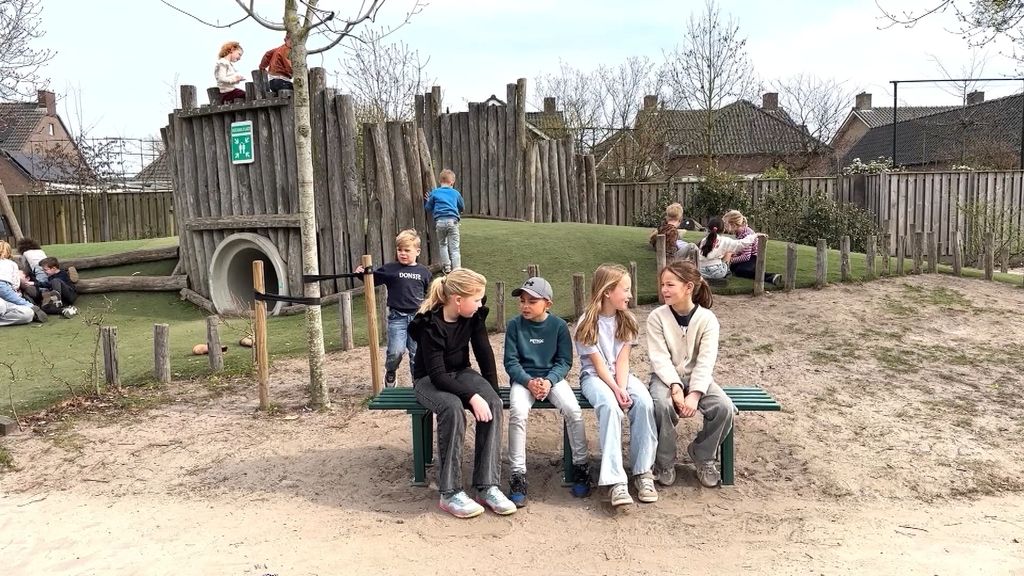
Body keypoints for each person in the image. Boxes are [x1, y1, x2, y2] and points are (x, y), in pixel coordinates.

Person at [408, 268, 516, 519]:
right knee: (452, 407)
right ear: (458, 300)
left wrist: (491, 392)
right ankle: (450, 492)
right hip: (429, 381)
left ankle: (487, 486)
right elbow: (437, 376)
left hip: (460, 372)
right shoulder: (429, 323)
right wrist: (471, 396)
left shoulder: (472, 316)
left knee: (492, 402)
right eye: (476, 299)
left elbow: (484, 353)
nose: (480, 304)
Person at [574, 263, 658, 508]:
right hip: (595, 378)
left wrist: (622, 388)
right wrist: (615, 390)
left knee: (643, 402)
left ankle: (643, 471)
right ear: (607, 292)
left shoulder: (627, 320)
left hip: (622, 376)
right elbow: (598, 366)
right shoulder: (586, 323)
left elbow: (622, 361)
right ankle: (615, 480)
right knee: (610, 407)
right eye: (626, 289)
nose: (630, 295)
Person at [646, 260, 735, 488]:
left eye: (670, 285)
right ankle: (664, 461)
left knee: (723, 407)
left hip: (699, 378)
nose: (664, 289)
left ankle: (703, 455)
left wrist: (694, 394)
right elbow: (659, 358)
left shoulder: (707, 319)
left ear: (688, 287)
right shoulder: (656, 317)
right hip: (665, 378)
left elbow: (706, 361)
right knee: (661, 406)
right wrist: (675, 387)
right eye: (663, 284)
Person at [505, 276, 591, 507]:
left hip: (552, 378)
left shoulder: (559, 326)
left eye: (532, 301)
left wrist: (550, 381)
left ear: (547, 304)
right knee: (518, 413)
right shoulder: (514, 325)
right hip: (524, 380)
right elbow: (510, 362)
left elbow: (564, 361)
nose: (525, 306)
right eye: (522, 301)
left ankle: (581, 466)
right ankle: (517, 475)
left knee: (573, 411)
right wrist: (528, 381)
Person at [354, 229, 431, 387]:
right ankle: (391, 370)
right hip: (398, 317)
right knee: (396, 351)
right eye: (399, 250)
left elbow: (430, 294)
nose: (402, 253)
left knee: (417, 354)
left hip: (418, 319)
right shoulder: (391, 269)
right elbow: (372, 279)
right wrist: (361, 273)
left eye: (407, 250)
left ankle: (418, 384)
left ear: (417, 251)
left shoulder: (424, 272)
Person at [697, 216, 767, 283]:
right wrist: (755, 235)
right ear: (723, 229)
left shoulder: (702, 241)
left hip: (701, 271)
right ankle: (727, 273)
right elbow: (741, 244)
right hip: (718, 272)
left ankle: (707, 278)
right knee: (729, 251)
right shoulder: (725, 241)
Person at [723, 209, 782, 287]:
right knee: (733, 268)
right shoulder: (739, 232)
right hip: (748, 256)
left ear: (733, 225)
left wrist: (731, 260)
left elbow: (746, 257)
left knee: (740, 271)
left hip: (753, 257)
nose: (725, 227)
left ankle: (771, 277)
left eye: (726, 225)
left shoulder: (746, 234)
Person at [424, 169, 465, 274]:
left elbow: (428, 207)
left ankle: (447, 267)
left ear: (439, 181)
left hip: (440, 222)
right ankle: (457, 270)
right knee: (455, 248)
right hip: (453, 221)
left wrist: (429, 200)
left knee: (442, 244)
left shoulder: (435, 192)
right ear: (452, 182)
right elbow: (462, 206)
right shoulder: (455, 193)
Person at [0, 241, 45, 322]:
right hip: (5, 292)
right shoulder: (11, 264)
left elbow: (14, 285)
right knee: (3, 305)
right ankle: (31, 306)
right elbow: (14, 285)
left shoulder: (12, 264)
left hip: (8, 297)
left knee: (28, 314)